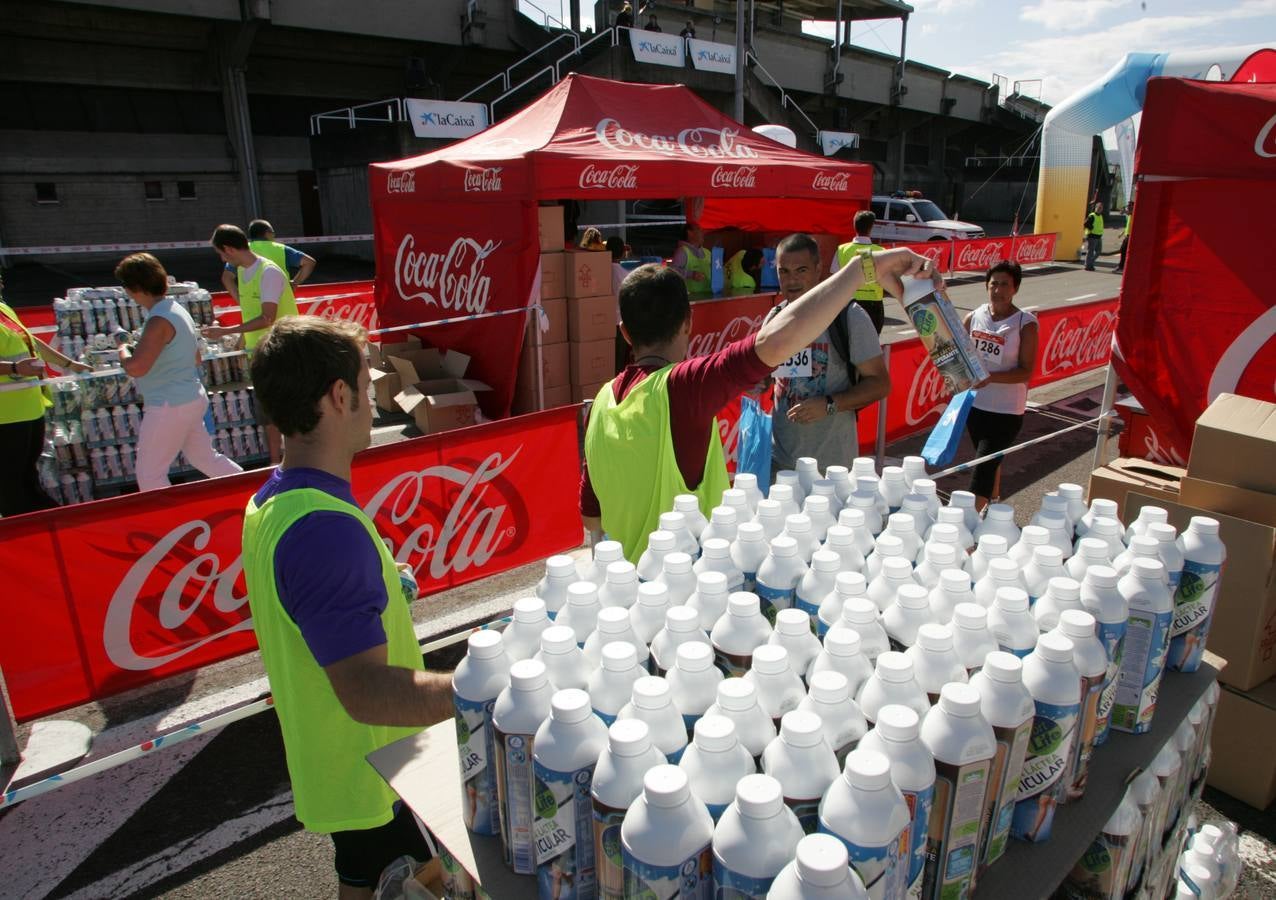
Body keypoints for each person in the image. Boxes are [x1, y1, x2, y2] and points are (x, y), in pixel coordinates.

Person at [241, 315, 452, 898]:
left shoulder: (273, 500)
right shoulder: (323, 530)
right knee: (436, 880)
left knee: (362, 880)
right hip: (382, 775)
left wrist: (383, 582)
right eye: (367, 380)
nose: (374, 395)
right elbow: (363, 689)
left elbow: (308, 611)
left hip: (336, 768)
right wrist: (481, 691)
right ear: (339, 395)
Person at [580, 245, 936, 562]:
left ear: (624, 331)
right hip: (686, 595)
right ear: (689, 322)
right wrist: (864, 268)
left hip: (620, 597)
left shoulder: (600, 403)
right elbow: (775, 341)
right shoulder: (681, 388)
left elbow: (592, 518)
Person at [114, 253, 243, 492]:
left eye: (125, 286)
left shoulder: (157, 319)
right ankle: (252, 489)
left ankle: (166, 523)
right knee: (206, 459)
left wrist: (122, 348)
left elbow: (136, 367)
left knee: (149, 475)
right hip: (190, 397)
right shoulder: (175, 309)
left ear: (135, 288)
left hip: (168, 404)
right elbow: (195, 357)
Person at [769, 233, 891, 478]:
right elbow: (774, 376)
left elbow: (880, 384)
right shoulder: (774, 318)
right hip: (779, 464)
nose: (791, 280)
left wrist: (830, 404)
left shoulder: (849, 317)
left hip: (831, 468)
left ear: (818, 269)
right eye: (784, 271)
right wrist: (760, 380)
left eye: (800, 270)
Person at [205, 223, 300, 464]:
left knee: (287, 410)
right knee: (269, 412)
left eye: (220, 253)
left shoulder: (268, 272)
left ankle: (296, 461)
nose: (221, 259)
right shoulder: (244, 273)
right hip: (260, 352)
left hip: (282, 351)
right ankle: (274, 461)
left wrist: (227, 330)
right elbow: (252, 315)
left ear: (228, 249)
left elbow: (267, 317)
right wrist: (240, 339)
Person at [0, 280, 90, 515]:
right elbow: (19, 361)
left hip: (29, 408)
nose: (1, 279)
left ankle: (39, 524)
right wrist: (14, 368)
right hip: (6, 415)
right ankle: (26, 534)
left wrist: (68, 363)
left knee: (28, 476)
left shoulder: (3, 308)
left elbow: (31, 341)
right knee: (11, 484)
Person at [962, 260, 1039, 510]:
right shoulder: (973, 317)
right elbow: (959, 355)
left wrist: (990, 378)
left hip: (1007, 411)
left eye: (1005, 284)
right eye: (994, 284)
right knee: (990, 461)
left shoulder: (1024, 323)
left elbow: (1025, 372)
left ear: (1015, 288)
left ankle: (969, 525)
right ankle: (993, 507)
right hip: (976, 406)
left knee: (982, 465)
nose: (998, 290)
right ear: (986, 286)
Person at [219, 219, 316, 302]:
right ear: (268, 233)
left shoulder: (241, 251)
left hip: (251, 309)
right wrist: (295, 283)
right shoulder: (281, 249)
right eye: (273, 233)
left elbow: (226, 278)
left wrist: (240, 300)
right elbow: (309, 262)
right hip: (282, 303)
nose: (274, 236)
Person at [830, 210, 887, 333]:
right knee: (872, 346)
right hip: (874, 304)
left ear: (854, 226)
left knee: (848, 343)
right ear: (871, 227)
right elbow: (886, 279)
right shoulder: (881, 251)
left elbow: (835, 277)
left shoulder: (842, 249)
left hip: (848, 303)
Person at [606, 236, 631, 372]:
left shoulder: (600, 270)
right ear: (622, 252)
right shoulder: (624, 274)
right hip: (618, 322)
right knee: (618, 361)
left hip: (603, 321)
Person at [671, 223, 711, 296]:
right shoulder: (682, 251)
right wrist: (691, 274)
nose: (703, 232)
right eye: (699, 229)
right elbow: (673, 272)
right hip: (691, 299)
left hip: (709, 296)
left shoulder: (707, 252)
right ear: (689, 233)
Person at [1083, 202, 1105, 271]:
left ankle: (1089, 263)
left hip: (1098, 237)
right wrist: (1091, 228)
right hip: (1092, 236)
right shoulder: (1092, 215)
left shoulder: (1100, 216)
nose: (1099, 209)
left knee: (1098, 251)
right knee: (1091, 252)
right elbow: (1085, 224)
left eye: (1100, 208)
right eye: (1098, 208)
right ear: (1095, 208)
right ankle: (1088, 265)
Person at [1113, 204, 1132, 275]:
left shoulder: (1133, 214)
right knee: (1123, 250)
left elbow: (1129, 212)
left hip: (1130, 237)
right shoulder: (1130, 216)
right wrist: (1121, 234)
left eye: (1130, 208)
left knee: (1124, 250)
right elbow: (1128, 226)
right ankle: (1122, 266)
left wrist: (1124, 211)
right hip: (1127, 236)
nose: (1128, 210)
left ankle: (1122, 267)